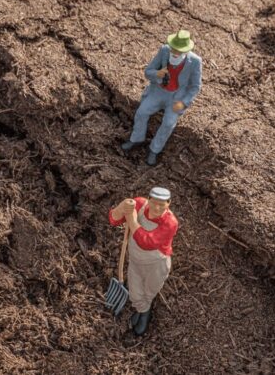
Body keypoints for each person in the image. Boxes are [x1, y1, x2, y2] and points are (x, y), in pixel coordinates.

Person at [121, 30, 202, 166]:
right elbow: (148, 72)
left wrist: (184, 102)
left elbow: (195, 86)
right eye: (173, 49)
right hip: (158, 92)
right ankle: (136, 139)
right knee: (142, 112)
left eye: (179, 51)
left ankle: (154, 149)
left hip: (177, 97)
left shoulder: (195, 62)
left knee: (169, 123)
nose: (175, 53)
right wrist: (157, 74)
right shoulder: (164, 51)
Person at [108, 187, 178, 336]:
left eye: (162, 204)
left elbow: (146, 242)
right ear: (149, 200)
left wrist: (132, 220)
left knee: (149, 291)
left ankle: (145, 312)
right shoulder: (139, 205)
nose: (157, 208)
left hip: (156, 264)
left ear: (169, 203)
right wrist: (122, 208)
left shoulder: (170, 222)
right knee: (135, 293)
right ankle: (142, 308)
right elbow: (114, 219)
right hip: (135, 260)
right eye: (154, 203)